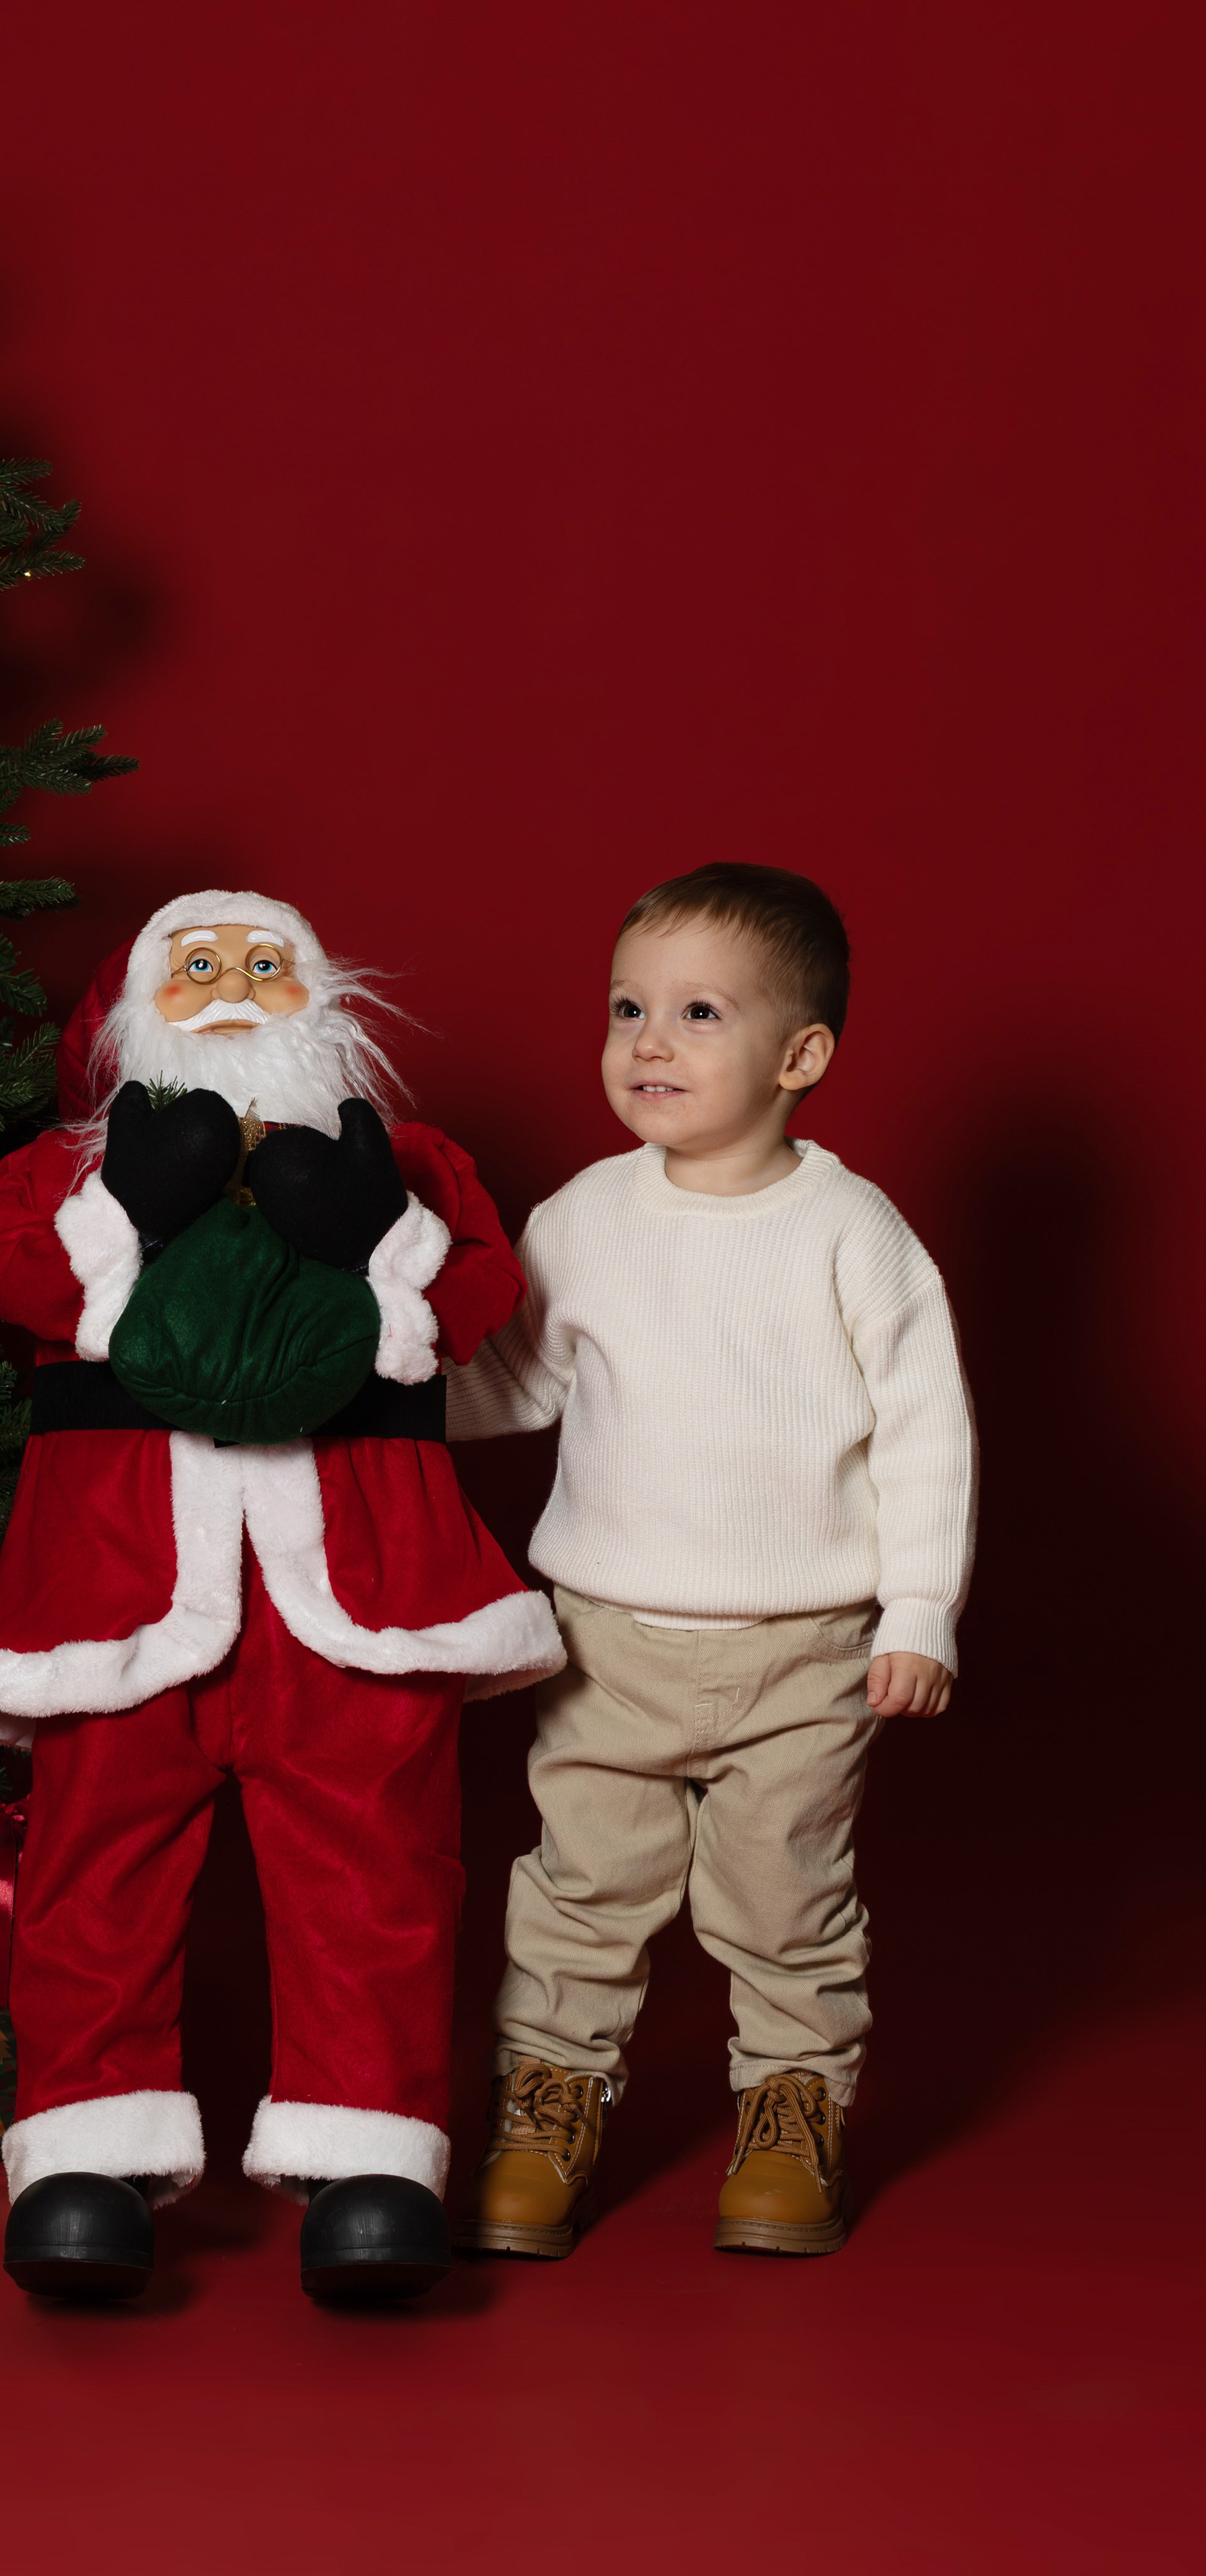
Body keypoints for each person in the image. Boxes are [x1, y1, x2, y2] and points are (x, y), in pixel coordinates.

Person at [0, 891, 563, 2303]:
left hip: (354, 1587)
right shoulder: (61, 1167)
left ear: (325, 999)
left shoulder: (397, 1156)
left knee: (378, 1877)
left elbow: (477, 1296)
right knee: (90, 1876)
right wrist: (128, 1202)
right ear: (131, 1015)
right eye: (202, 966)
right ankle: (86, 2168)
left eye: (266, 965)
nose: (235, 989)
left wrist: (372, 1235)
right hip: (121, 1589)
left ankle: (367, 2169)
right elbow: (5, 1269)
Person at [447, 863, 976, 2257]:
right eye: (627, 1008)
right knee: (578, 1888)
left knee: (784, 1897)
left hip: (799, 1648)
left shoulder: (850, 1236)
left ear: (798, 1057)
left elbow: (926, 1431)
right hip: (605, 1635)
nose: (648, 1043)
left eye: (695, 1012)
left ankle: (790, 2113)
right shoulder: (582, 1218)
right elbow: (513, 1385)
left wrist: (915, 1609)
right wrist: (378, 1392)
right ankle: (547, 2102)